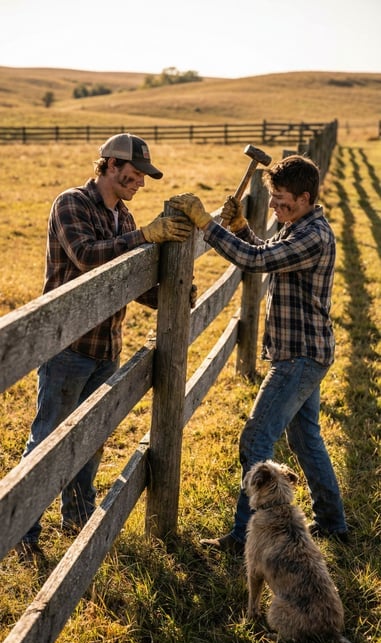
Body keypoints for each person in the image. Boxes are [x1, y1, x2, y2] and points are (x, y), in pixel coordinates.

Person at [18, 133, 193, 558]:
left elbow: (128, 278)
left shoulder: (125, 218)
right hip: (68, 346)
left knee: (93, 437)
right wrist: (146, 237)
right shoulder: (72, 203)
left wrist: (176, 291)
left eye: (144, 177)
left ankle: (77, 518)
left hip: (105, 347)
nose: (141, 183)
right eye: (135, 174)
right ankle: (22, 531)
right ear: (111, 165)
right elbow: (87, 257)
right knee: (48, 440)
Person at [170, 154, 348, 555]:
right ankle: (334, 524)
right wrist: (239, 227)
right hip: (303, 351)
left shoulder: (313, 235)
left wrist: (207, 225)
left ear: (304, 198)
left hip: (299, 356)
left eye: (280, 199)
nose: (273, 206)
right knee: (306, 441)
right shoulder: (296, 226)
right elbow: (266, 250)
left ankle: (242, 537)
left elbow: (255, 261)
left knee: (255, 441)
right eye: (271, 197)